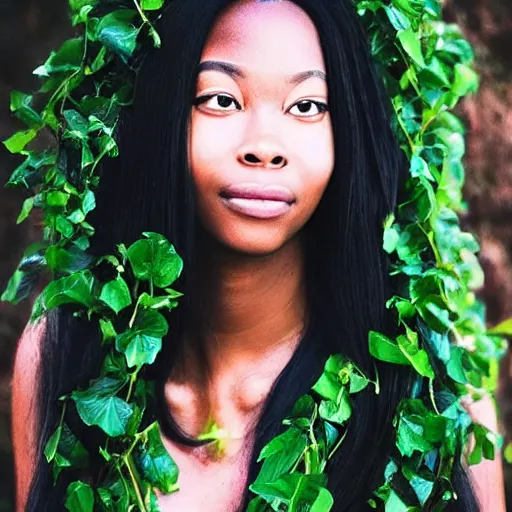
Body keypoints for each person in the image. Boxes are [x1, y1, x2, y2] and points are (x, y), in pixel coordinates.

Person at [10, 0, 506, 510]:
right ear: (160, 115)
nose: (265, 146)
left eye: (307, 106)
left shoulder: (437, 397)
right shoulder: (65, 355)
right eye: (221, 99)